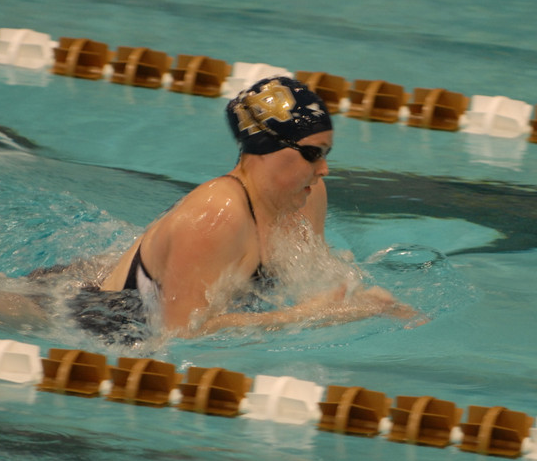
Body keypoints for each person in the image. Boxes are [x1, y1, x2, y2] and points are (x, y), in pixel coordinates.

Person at [65, 76, 419, 343]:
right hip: (90, 319)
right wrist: (310, 316)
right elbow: (179, 335)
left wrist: (373, 304)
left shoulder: (308, 196)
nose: (324, 169)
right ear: (267, 149)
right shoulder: (217, 214)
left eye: (326, 154)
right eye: (313, 153)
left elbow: (315, 281)